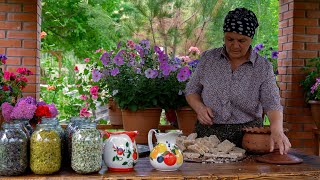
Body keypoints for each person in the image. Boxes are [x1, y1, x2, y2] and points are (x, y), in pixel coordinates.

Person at [185, 7, 291, 155]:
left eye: (242, 40)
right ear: (224, 36)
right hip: (208, 139)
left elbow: (272, 103)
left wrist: (277, 129)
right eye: (230, 39)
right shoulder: (208, 59)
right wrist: (200, 108)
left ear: (251, 39)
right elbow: (191, 91)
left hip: (248, 139)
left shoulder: (262, 67)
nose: (235, 45)